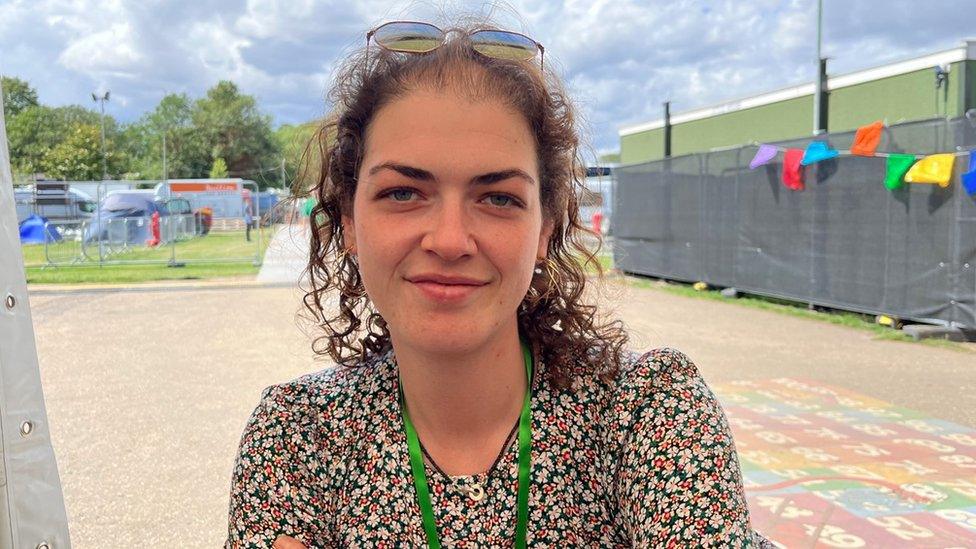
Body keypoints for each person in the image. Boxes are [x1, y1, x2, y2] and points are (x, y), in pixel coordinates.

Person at [226, 17, 770, 548]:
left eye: (499, 198)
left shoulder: (647, 413)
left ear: (543, 231)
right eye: (402, 192)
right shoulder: (296, 438)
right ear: (348, 222)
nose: (450, 240)